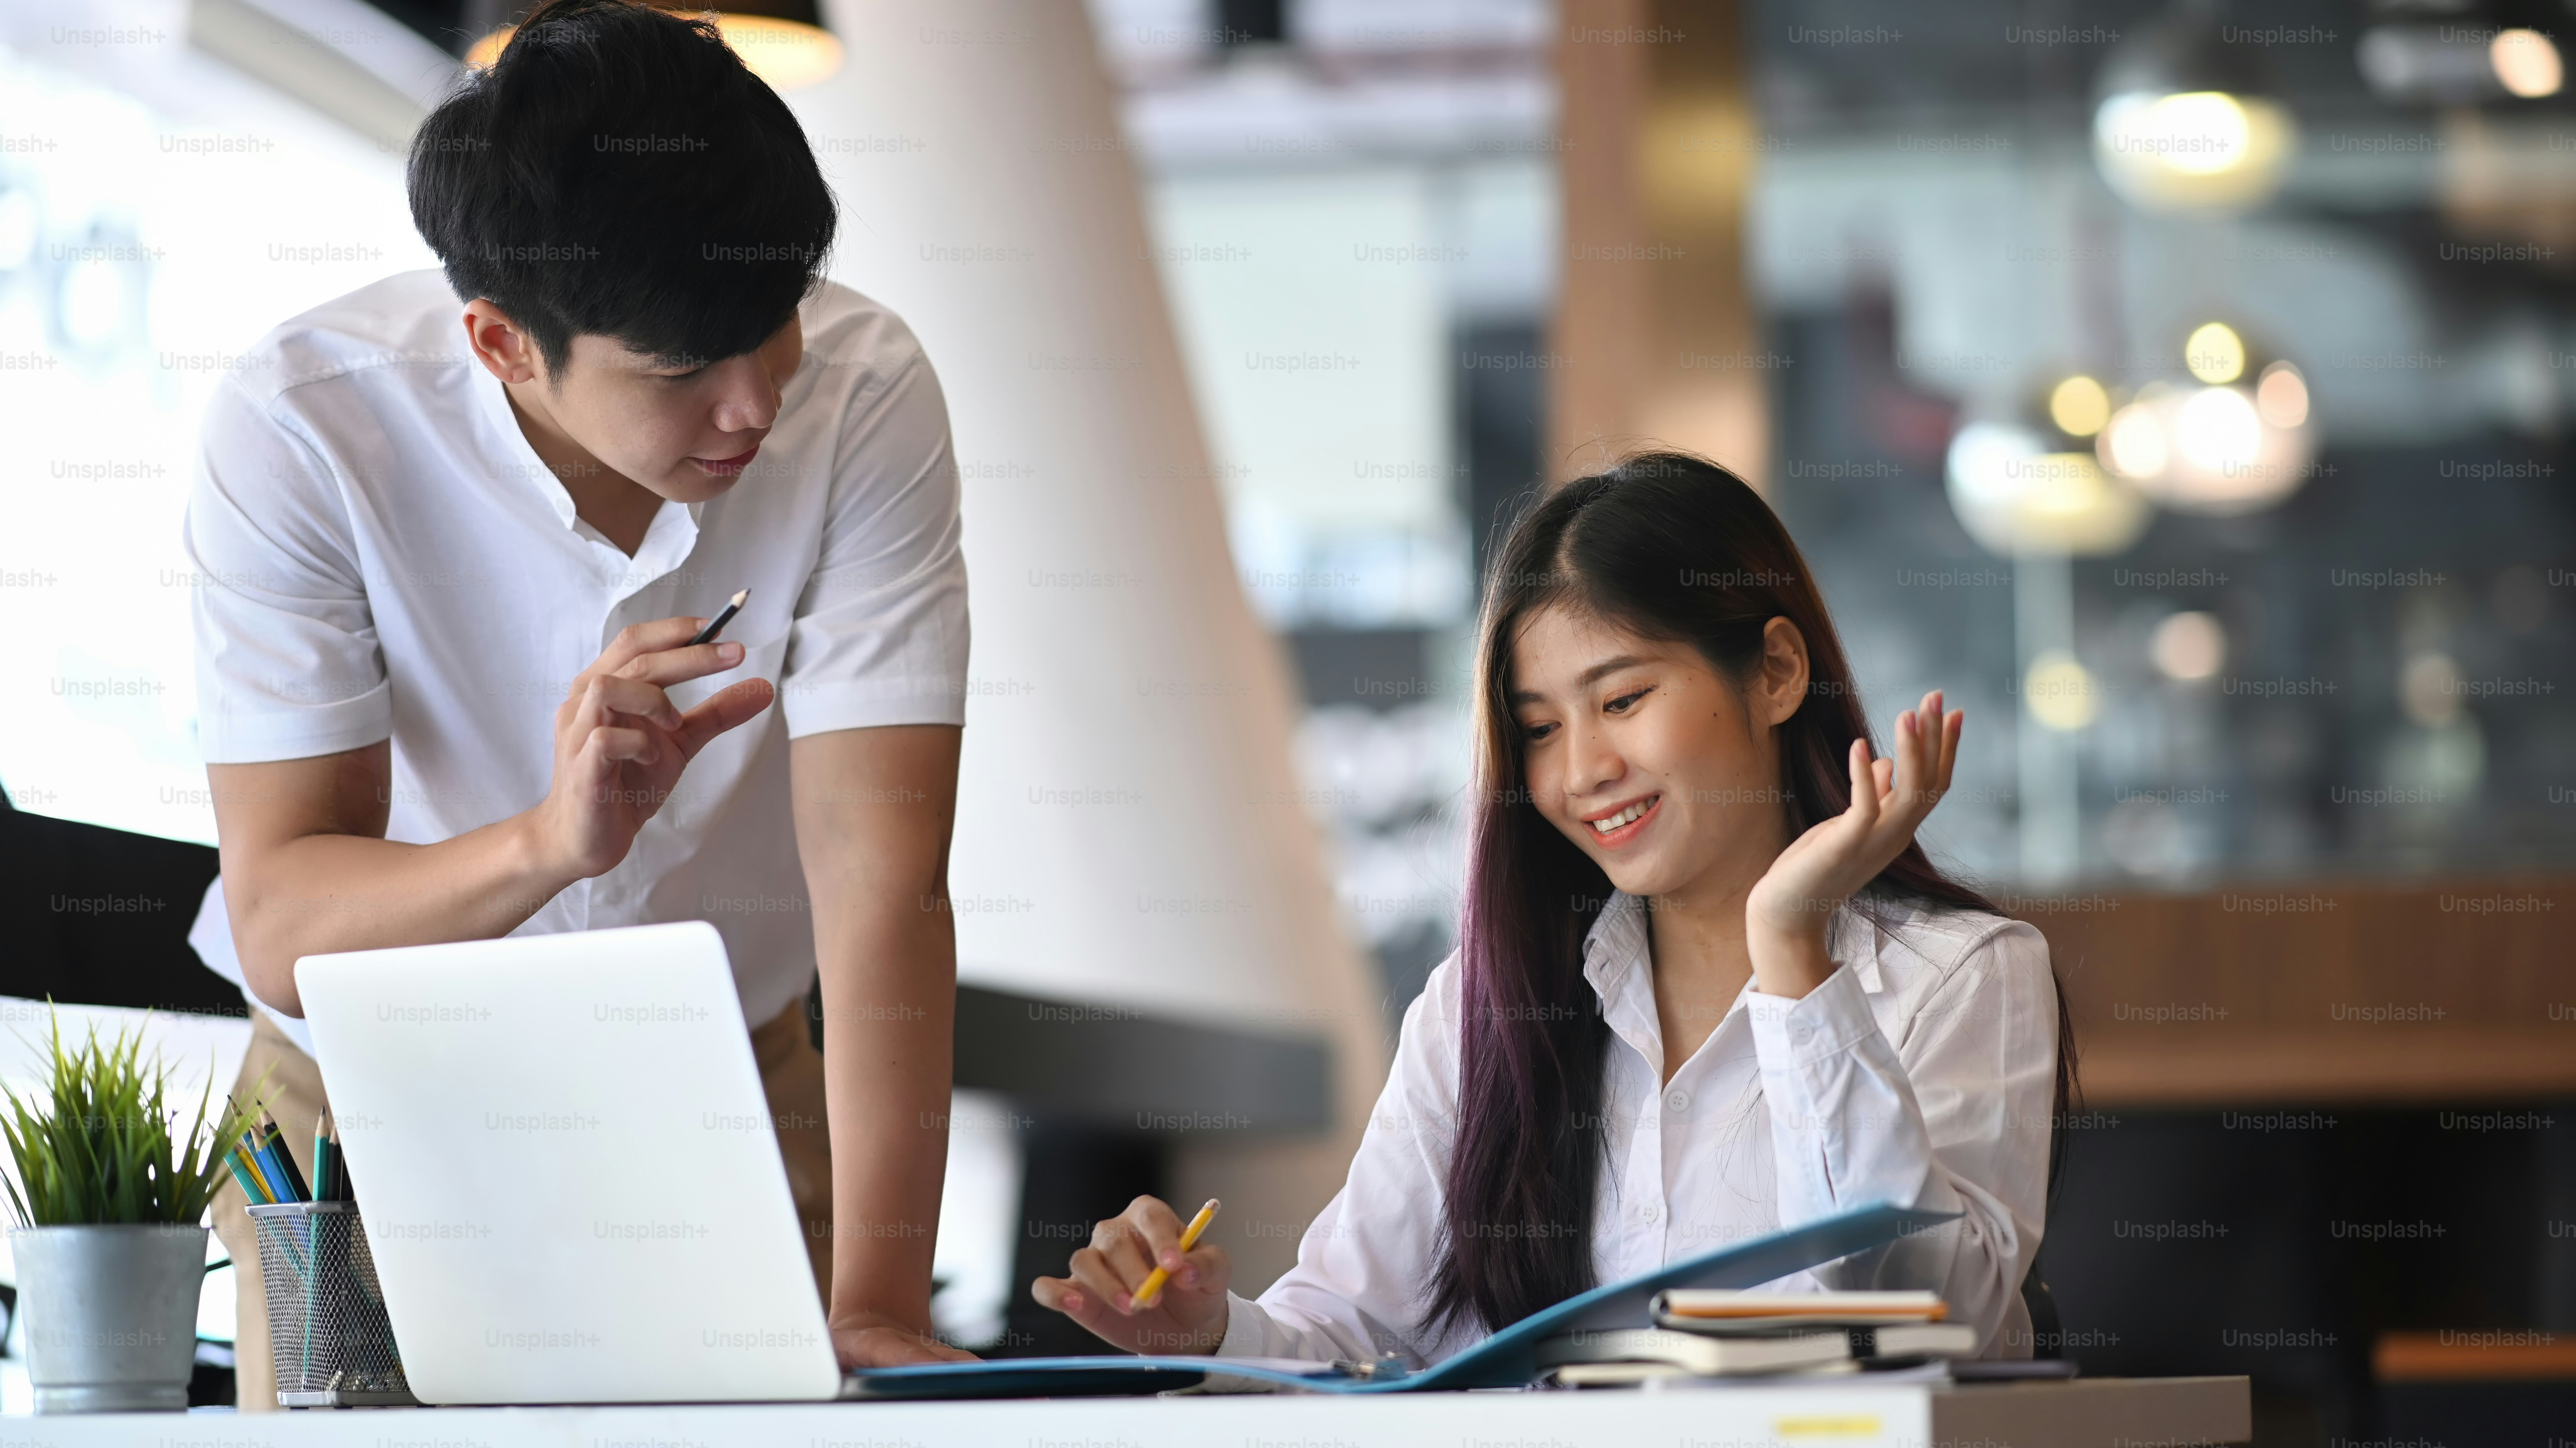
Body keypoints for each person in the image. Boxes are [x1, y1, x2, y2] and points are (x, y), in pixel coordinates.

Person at [186, 0, 973, 1405]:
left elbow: (885, 872)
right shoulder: (307, 425)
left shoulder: (863, 392)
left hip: (731, 1074)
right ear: (500, 343)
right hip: (371, 1092)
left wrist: (881, 1301)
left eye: (771, 328)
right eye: (683, 372)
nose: (754, 407)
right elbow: (287, 923)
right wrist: (552, 841)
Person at [1034, 452, 2072, 1366]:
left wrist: (1792, 947)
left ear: (1776, 671)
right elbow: (1358, 1335)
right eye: (1537, 729)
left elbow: (1932, 1320)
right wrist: (1212, 1333)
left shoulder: (1964, 974)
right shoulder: (1485, 1009)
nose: (1583, 772)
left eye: (1623, 700)